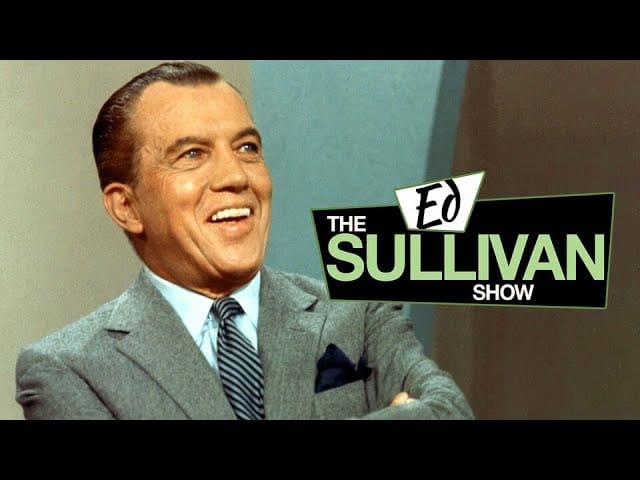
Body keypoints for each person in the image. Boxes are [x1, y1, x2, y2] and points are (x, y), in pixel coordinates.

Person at [15, 61, 474, 420]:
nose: (236, 176)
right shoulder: (69, 370)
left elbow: (448, 412)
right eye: (192, 154)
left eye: (247, 148)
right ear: (126, 207)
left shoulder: (360, 313)